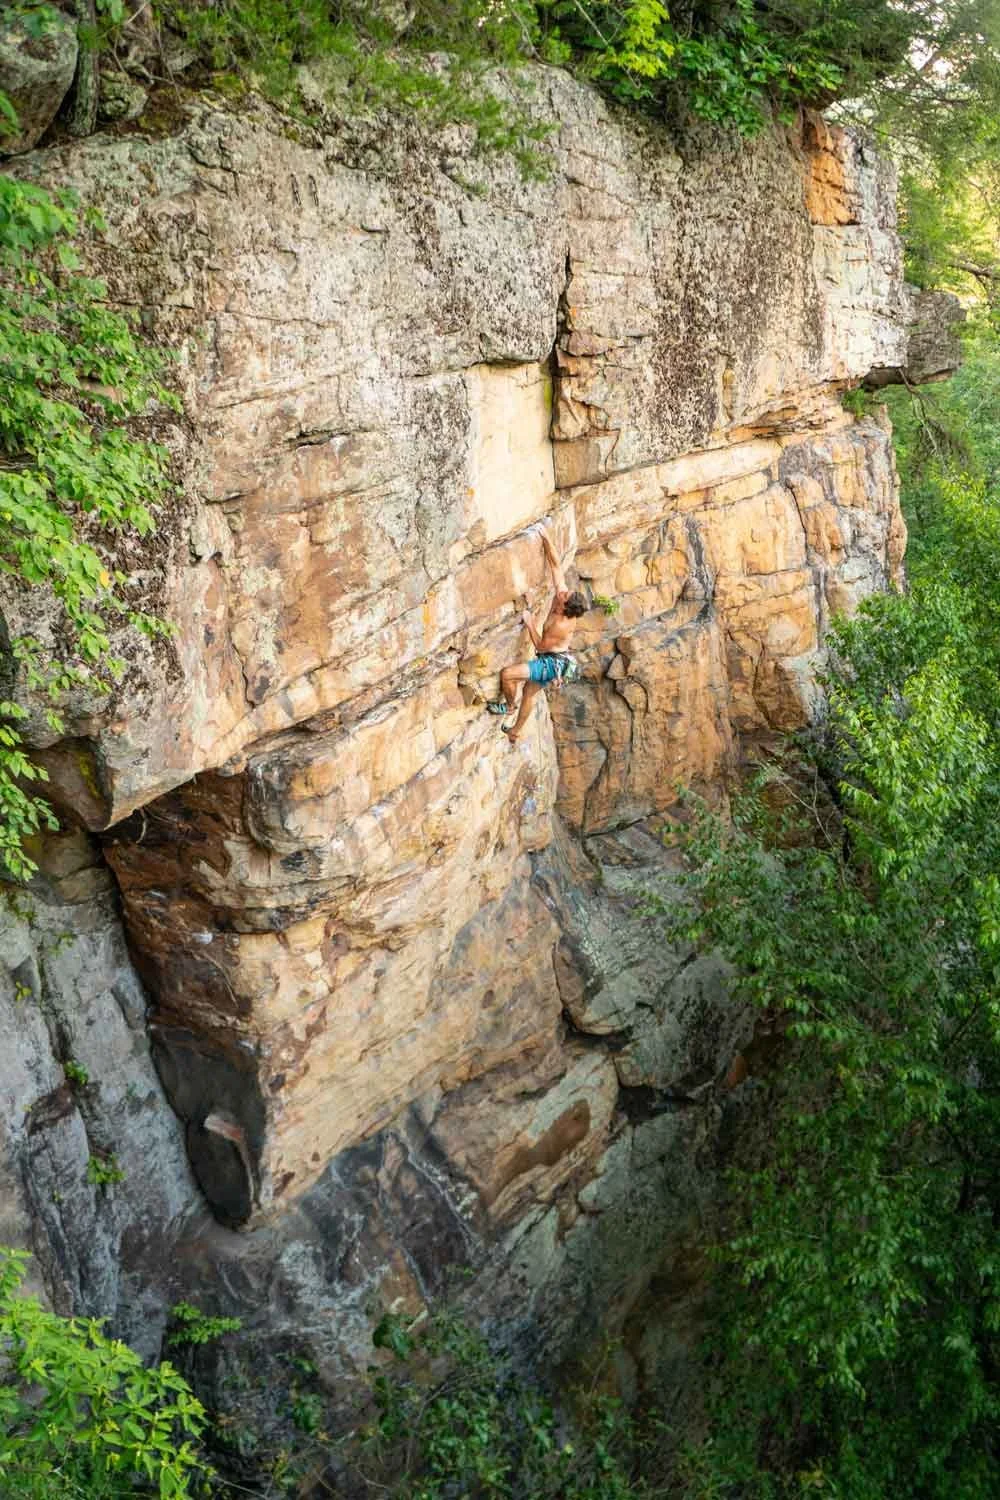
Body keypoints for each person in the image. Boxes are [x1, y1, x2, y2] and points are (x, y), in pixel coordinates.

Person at [486, 526, 588, 744]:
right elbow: (555, 564)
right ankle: (515, 730)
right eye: (564, 592)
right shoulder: (561, 600)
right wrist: (545, 536)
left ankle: (509, 705)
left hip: (551, 663)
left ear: (565, 607)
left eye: (564, 595)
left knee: (508, 674)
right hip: (552, 659)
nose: (561, 591)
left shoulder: (562, 624)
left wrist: (531, 623)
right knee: (530, 694)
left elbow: (541, 647)